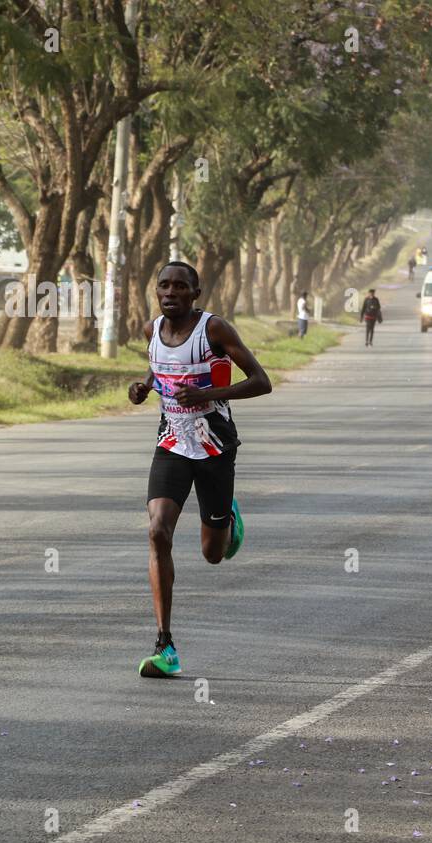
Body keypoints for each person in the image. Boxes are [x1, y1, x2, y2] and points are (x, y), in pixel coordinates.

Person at [127, 261, 273, 678]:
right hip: (171, 443)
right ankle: (164, 644)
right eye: (163, 286)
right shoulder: (151, 330)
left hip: (214, 447)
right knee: (157, 531)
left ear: (196, 293)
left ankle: (226, 515)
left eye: (179, 286)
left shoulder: (215, 331)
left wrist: (210, 393)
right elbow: (158, 368)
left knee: (213, 554)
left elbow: (261, 381)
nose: (170, 292)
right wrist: (144, 386)